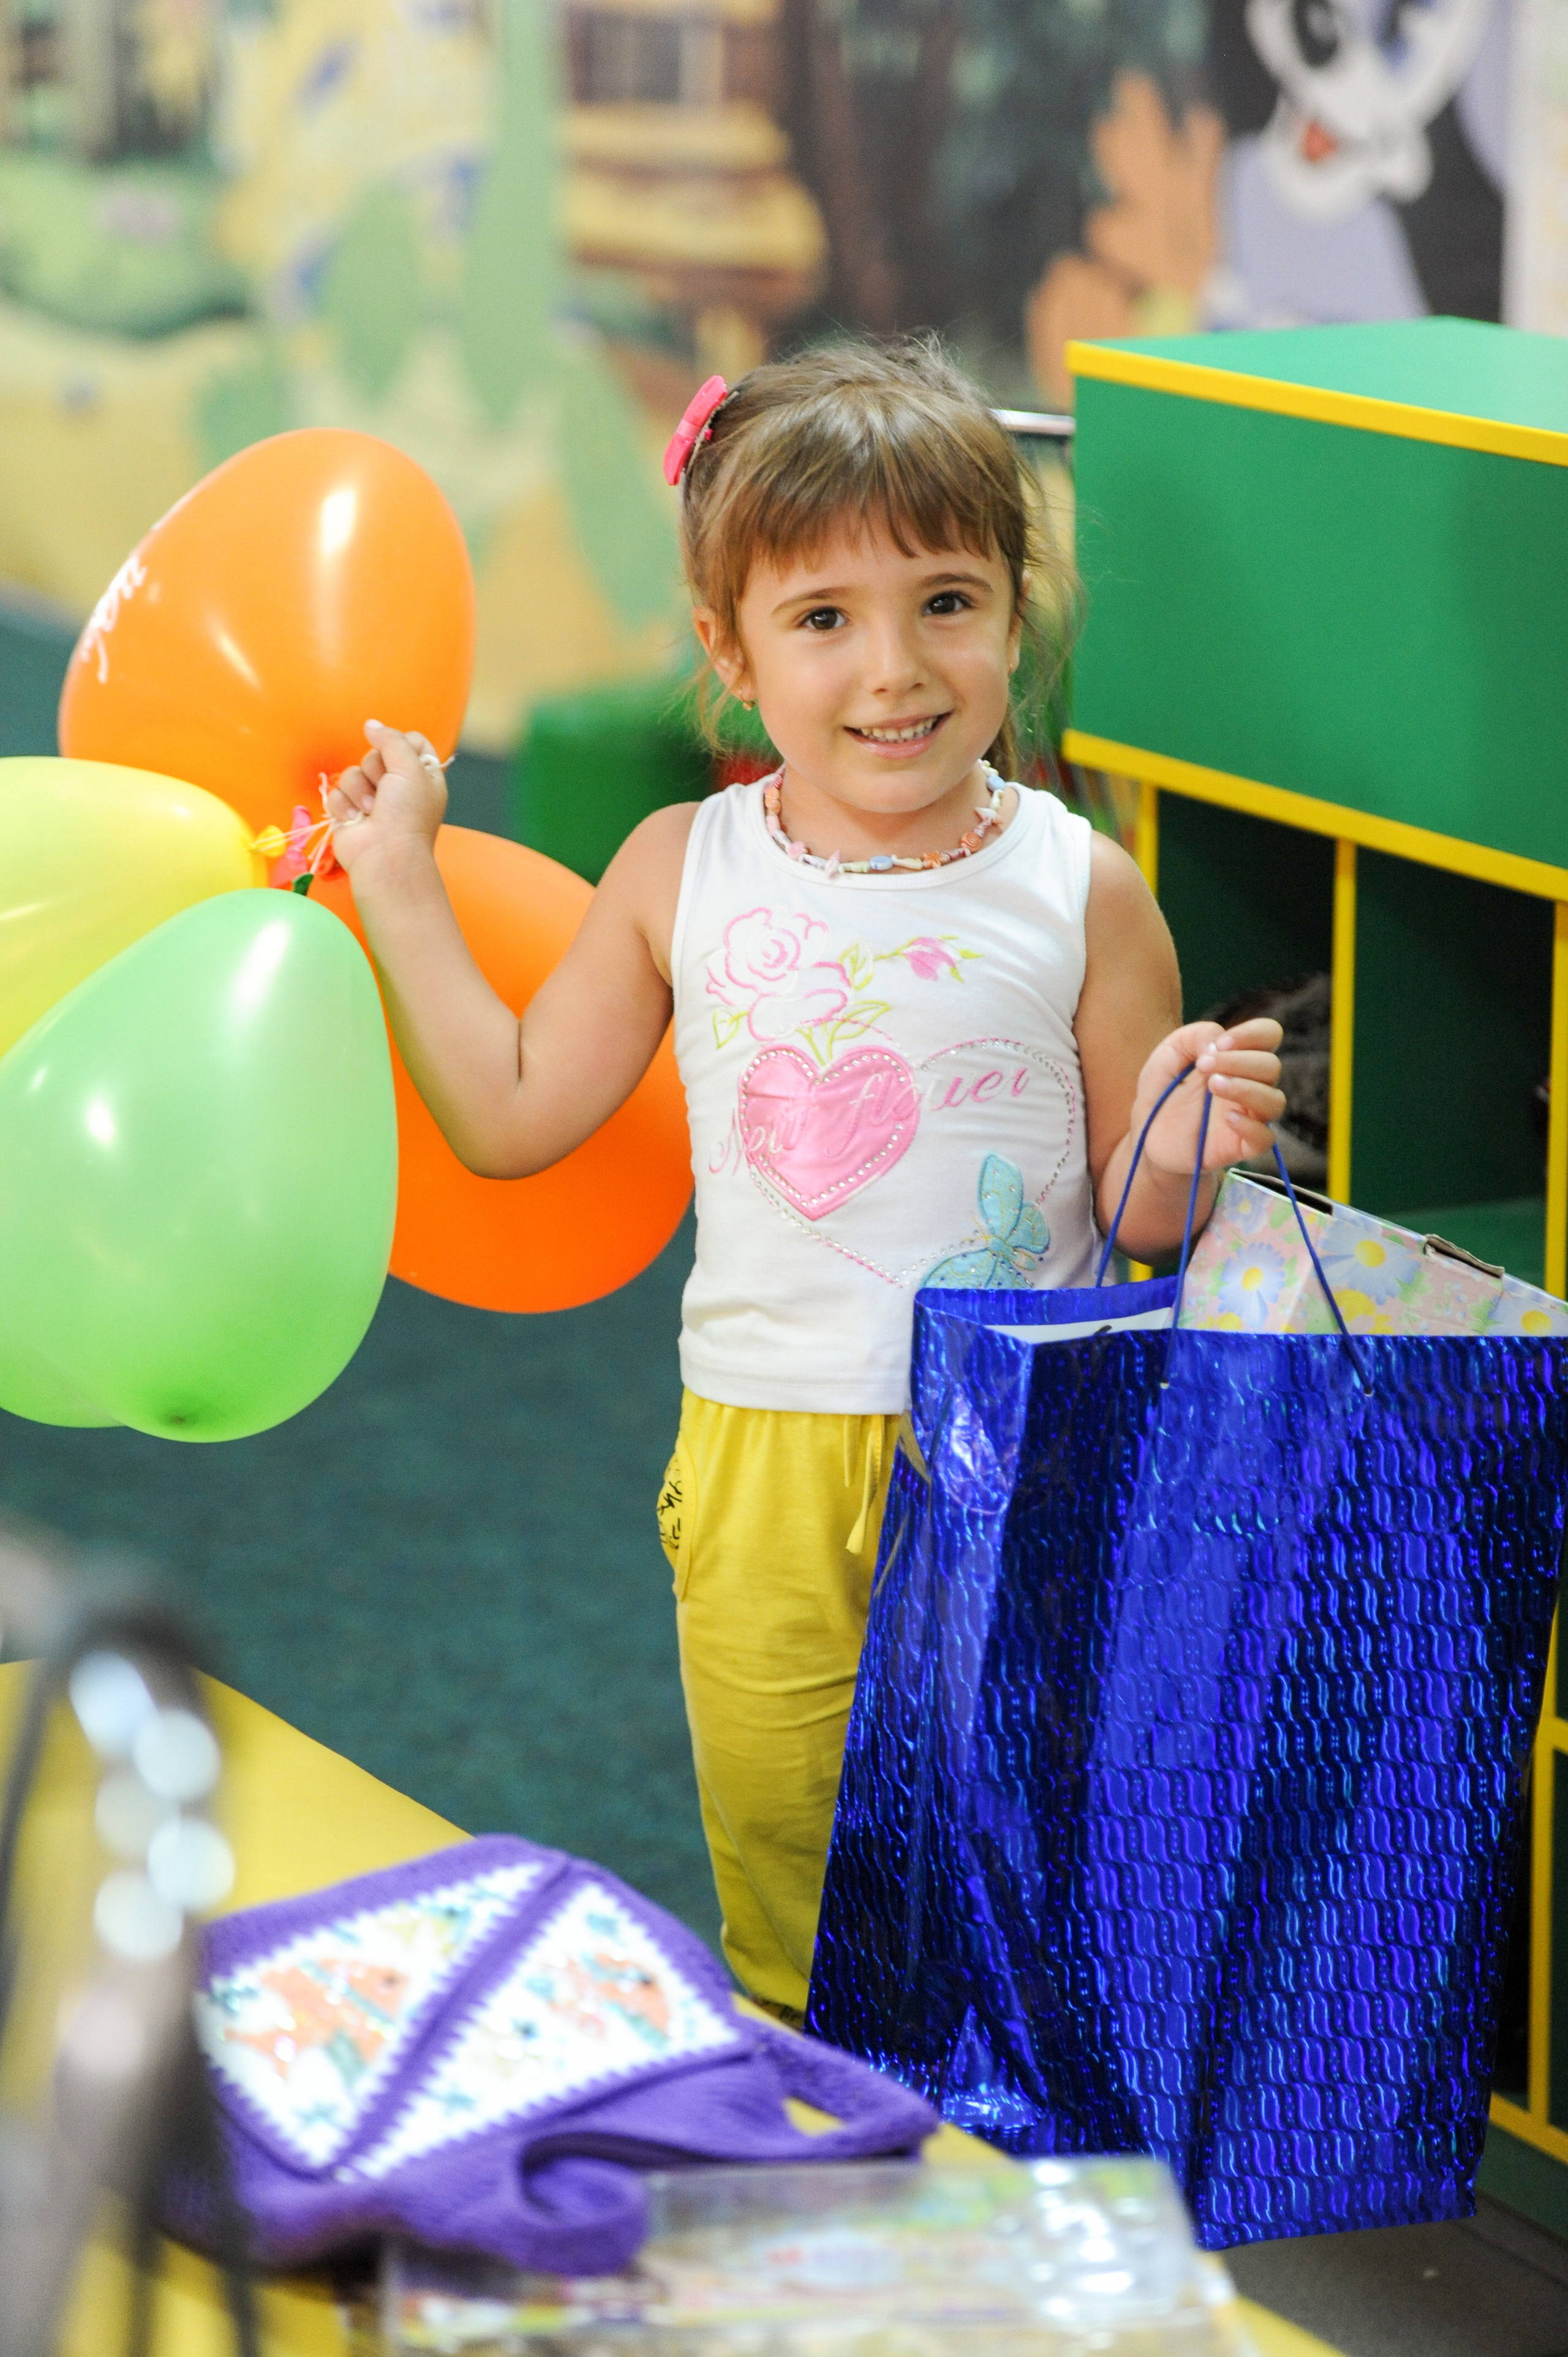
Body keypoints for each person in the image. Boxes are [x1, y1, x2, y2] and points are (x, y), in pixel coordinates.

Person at [324, 338, 1285, 2027]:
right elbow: (511, 1114)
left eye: (946, 602)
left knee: (1016, 1881)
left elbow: (1137, 1221)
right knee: (797, 1893)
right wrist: (399, 881)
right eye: (824, 618)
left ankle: (1013, 2197)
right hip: (768, 1457)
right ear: (730, 652)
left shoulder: (1084, 886)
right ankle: (839, 2166)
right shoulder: (678, 871)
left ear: (1014, 610)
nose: (895, 670)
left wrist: (1187, 1153)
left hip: (1017, 1454)